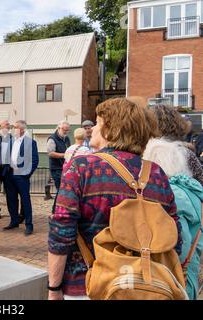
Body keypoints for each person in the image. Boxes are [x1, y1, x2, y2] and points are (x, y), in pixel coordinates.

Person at [48, 98, 181, 300]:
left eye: (98, 123)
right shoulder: (156, 173)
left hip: (87, 284)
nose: (92, 129)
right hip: (144, 287)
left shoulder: (81, 167)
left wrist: (53, 288)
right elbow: (174, 233)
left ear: (111, 129)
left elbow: (61, 232)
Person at [144, 138, 203, 300]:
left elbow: (180, 244)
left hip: (174, 278)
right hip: (189, 274)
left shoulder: (173, 193)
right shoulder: (191, 189)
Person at [149, 105, 203, 186]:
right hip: (181, 197)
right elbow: (200, 183)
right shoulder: (186, 153)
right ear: (177, 123)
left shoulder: (139, 152)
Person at [3, 120, 39, 236]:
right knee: (11, 199)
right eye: (13, 127)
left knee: (25, 200)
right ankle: (14, 221)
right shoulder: (10, 141)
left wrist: (26, 174)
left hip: (22, 176)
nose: (13, 129)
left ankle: (29, 224)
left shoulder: (30, 142)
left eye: (15, 127)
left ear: (22, 129)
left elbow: (34, 160)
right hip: (9, 174)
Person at [47, 120, 71, 194]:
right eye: (64, 130)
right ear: (59, 128)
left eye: (67, 130)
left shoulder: (66, 138)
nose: (66, 132)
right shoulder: (52, 138)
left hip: (65, 167)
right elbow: (50, 153)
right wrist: (64, 155)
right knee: (61, 190)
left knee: (63, 190)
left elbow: (69, 149)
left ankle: (57, 205)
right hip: (56, 169)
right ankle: (57, 205)